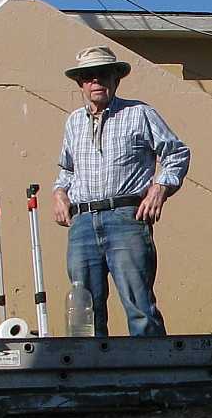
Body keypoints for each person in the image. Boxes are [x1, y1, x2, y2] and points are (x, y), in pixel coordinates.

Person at [52, 45, 190, 337]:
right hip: (82, 222)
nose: (96, 81)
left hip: (126, 217)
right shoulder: (74, 122)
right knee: (84, 313)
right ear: (80, 83)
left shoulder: (139, 113)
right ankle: (91, 367)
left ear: (116, 79)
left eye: (103, 74)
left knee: (140, 306)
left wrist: (160, 188)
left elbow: (177, 153)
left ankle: (151, 366)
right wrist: (59, 193)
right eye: (88, 76)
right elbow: (67, 169)